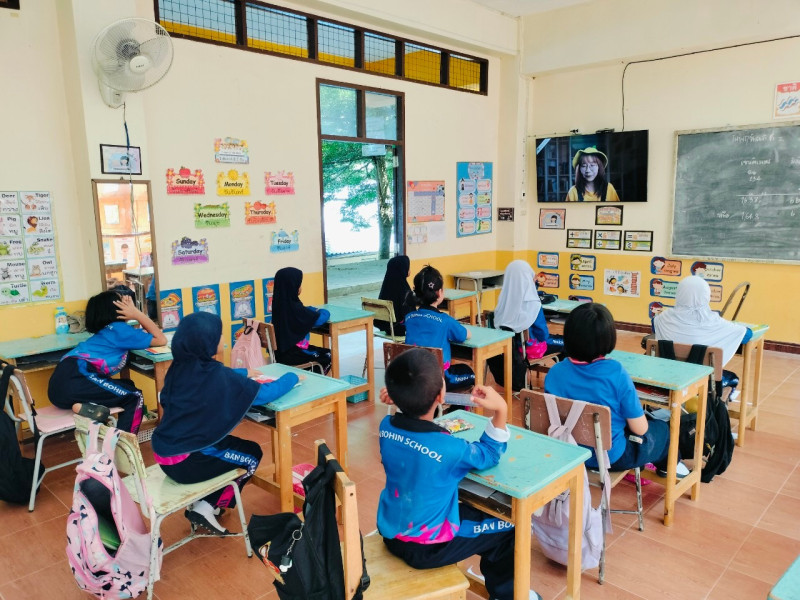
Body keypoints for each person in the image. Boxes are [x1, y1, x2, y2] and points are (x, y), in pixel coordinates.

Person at [377, 349, 541, 600]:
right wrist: (501, 410)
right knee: (511, 526)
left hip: (391, 532)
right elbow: (489, 453)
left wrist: (400, 397)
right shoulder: (450, 449)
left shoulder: (385, 428)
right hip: (428, 546)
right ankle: (507, 594)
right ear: (441, 396)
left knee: (474, 514)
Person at [151, 312, 298, 535]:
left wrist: (244, 372)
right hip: (188, 461)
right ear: (207, 342)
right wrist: (292, 376)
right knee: (251, 455)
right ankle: (205, 507)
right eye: (218, 336)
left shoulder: (180, 367)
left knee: (231, 447)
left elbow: (217, 377)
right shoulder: (216, 375)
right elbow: (266, 393)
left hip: (165, 453)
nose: (223, 339)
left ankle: (207, 499)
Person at [544, 303, 689, 478]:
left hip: (567, 452)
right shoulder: (615, 373)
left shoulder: (554, 372)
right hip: (611, 457)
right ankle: (669, 467)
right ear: (608, 337)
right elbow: (641, 429)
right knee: (662, 430)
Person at [48, 290, 166, 433]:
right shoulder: (119, 329)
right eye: (123, 304)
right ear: (117, 310)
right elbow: (161, 339)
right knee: (134, 396)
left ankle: (87, 407)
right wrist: (136, 314)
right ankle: (123, 443)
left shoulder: (108, 331)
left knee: (127, 385)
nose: (127, 306)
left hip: (58, 389)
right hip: (78, 375)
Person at [653, 275, 751, 390]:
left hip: (667, 377)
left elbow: (654, 327)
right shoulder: (715, 322)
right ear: (706, 295)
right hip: (703, 381)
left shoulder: (663, 318)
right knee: (733, 377)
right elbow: (747, 335)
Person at [487, 260, 563, 391]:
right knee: (567, 343)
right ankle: (563, 385)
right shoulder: (533, 304)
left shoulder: (503, 300)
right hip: (529, 349)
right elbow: (543, 335)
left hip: (509, 348)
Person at [404, 265, 474, 391]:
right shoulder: (445, 320)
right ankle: (455, 404)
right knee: (470, 373)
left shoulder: (409, 318)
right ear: (440, 292)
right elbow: (464, 335)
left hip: (412, 378)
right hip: (438, 379)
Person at [271, 266, 332, 373]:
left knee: (318, 351)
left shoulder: (278, 305)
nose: (300, 287)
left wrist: (309, 310)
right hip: (294, 355)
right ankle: (316, 379)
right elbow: (321, 318)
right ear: (293, 286)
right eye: (299, 284)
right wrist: (319, 310)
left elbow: (305, 312)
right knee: (329, 354)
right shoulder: (296, 308)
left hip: (279, 354)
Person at [375, 255, 415, 336]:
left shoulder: (386, 287)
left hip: (387, 328)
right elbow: (410, 314)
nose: (409, 270)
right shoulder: (404, 289)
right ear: (403, 269)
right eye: (408, 267)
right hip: (401, 329)